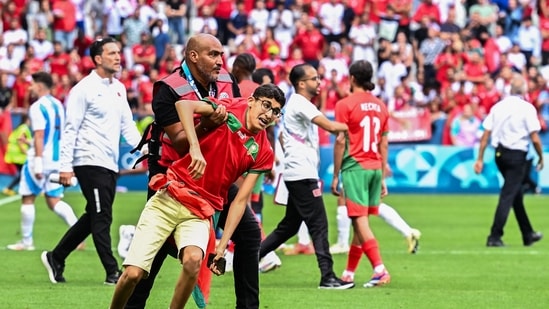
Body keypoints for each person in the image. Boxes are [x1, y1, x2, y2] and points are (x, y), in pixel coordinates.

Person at [109, 84, 286, 309]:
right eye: (266, 105)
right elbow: (183, 105)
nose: (269, 114)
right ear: (251, 100)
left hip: (201, 211)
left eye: (275, 111)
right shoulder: (228, 108)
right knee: (133, 274)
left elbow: (240, 201)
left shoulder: (264, 152)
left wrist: (222, 246)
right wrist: (194, 147)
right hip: (170, 196)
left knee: (193, 262)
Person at [124, 33, 263, 309]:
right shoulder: (167, 88)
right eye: (213, 54)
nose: (220, 61)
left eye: (221, 54)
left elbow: (235, 128)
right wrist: (210, 123)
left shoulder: (226, 81)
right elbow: (179, 141)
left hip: (212, 177)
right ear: (193, 56)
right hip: (172, 176)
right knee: (158, 250)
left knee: (249, 233)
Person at [40, 37, 142, 285]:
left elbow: (127, 126)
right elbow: (70, 128)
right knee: (102, 216)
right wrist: (65, 166)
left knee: (94, 215)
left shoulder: (118, 88)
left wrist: (146, 150)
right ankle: (112, 272)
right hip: (87, 160)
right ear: (98, 59)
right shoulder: (82, 89)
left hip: (109, 162)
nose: (118, 57)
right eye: (112, 53)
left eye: (119, 52)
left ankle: (56, 257)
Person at [259, 63, 353, 289]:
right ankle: (327, 277)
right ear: (301, 83)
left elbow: (282, 137)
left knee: (289, 227)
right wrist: (355, 126)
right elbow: (330, 126)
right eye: (314, 78)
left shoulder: (296, 104)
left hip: (298, 171)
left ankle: (248, 258)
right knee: (319, 223)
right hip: (302, 174)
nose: (318, 82)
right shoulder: (300, 103)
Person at [331, 60, 391, 288]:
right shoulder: (381, 106)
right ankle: (348, 273)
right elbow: (384, 144)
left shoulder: (345, 104)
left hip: (355, 166)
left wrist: (336, 175)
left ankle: (380, 269)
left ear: (352, 78)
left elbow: (340, 140)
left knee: (359, 219)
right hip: (375, 166)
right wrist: (383, 175)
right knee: (360, 221)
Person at [6, 72, 78, 251]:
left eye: (31, 85)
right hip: (56, 159)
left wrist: (37, 161)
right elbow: (54, 135)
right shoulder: (59, 105)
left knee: (28, 198)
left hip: (39, 159)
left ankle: (26, 242)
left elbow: (39, 135)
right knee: (54, 200)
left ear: (39, 86)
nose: (29, 88)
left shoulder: (37, 107)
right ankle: (77, 234)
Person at [474, 74, 544, 247]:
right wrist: (541, 157)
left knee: (515, 194)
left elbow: (486, 134)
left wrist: (480, 158)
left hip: (500, 155)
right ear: (524, 91)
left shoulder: (498, 107)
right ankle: (494, 236)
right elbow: (534, 137)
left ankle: (528, 234)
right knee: (508, 195)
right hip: (517, 155)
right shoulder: (527, 108)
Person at [2, 114, 31, 196]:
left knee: (23, 173)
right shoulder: (24, 128)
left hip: (14, 153)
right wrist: (26, 152)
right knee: (23, 173)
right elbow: (20, 141)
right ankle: (9, 188)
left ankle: (13, 188)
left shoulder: (19, 127)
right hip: (18, 155)